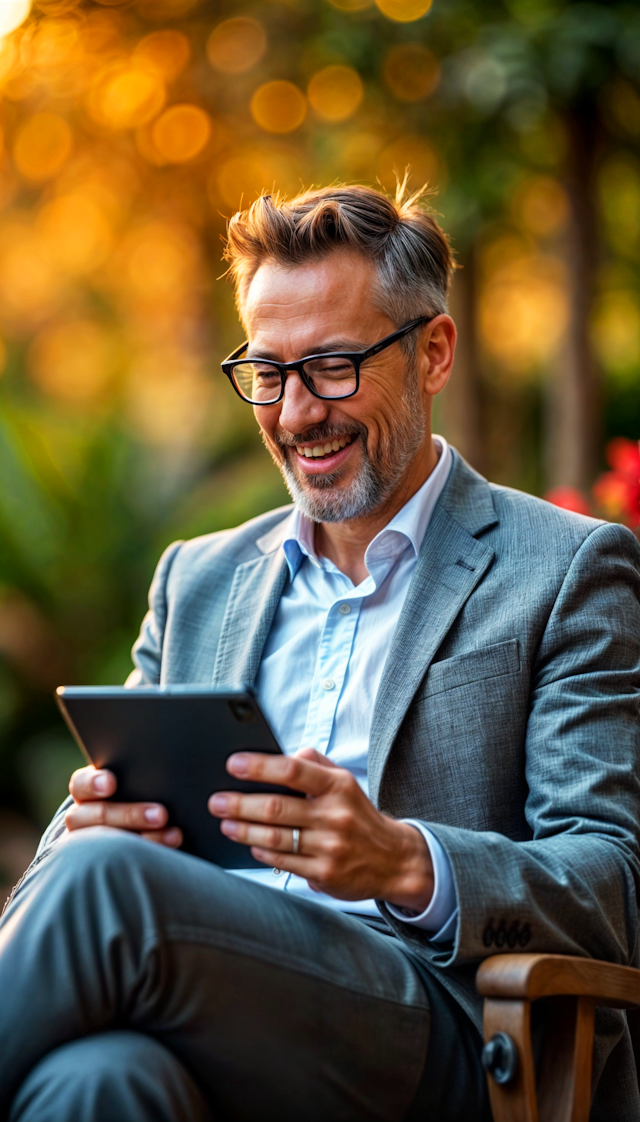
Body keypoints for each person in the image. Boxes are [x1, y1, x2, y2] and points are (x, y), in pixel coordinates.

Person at [1, 183, 639, 1122]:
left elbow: (613, 883)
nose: (298, 414)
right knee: (94, 1083)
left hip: (441, 1032)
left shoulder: (569, 569)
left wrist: (402, 862)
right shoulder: (197, 580)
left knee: (109, 889)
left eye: (334, 367)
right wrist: (84, 827)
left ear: (433, 352)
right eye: (268, 372)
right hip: (202, 1009)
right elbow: (84, 845)